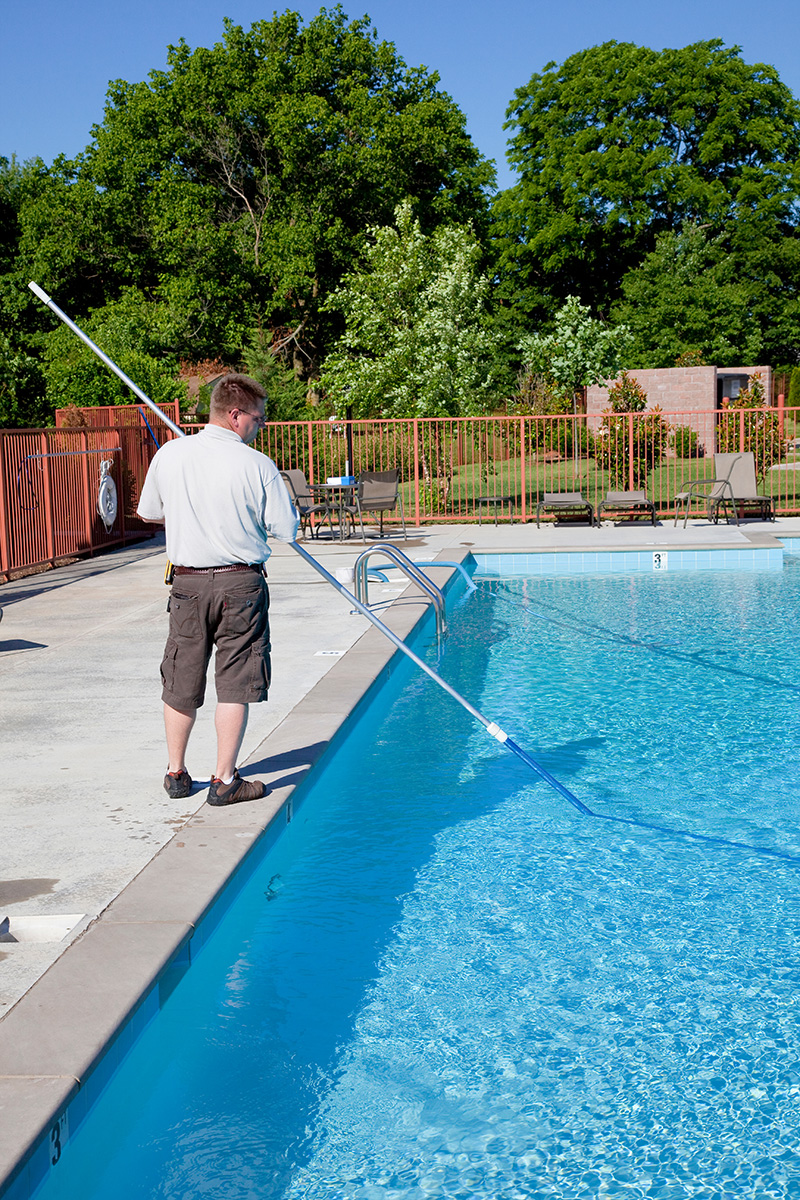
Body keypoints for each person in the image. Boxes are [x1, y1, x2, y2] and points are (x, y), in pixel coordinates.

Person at [137, 373, 299, 805]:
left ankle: (176, 773)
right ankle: (224, 780)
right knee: (235, 681)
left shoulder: (171, 454)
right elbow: (286, 529)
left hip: (187, 583)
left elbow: (149, 512)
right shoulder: (258, 465)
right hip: (240, 584)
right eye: (258, 419)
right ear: (235, 415)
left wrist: (192, 513)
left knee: (181, 677)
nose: (260, 427)